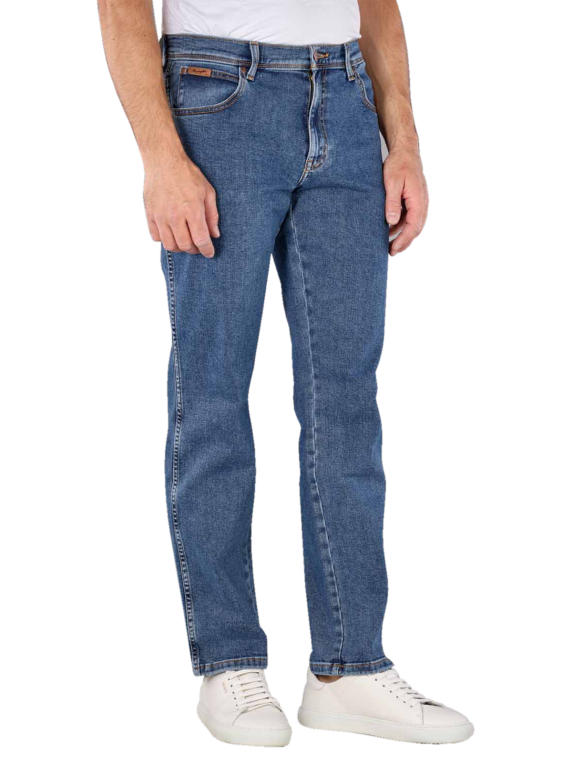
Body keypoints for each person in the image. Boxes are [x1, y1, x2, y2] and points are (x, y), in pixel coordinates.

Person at [97, 0, 474, 747]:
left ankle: (349, 669)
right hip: (216, 94)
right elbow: (121, 5)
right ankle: (229, 661)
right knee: (213, 393)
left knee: (348, 405)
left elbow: (378, 5)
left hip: (347, 98)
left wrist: (404, 142)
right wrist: (161, 157)